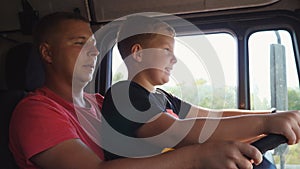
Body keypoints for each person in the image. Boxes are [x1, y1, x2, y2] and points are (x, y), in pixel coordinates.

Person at [8, 12, 264, 169]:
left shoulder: (101, 102)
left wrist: (265, 118)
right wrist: (196, 158)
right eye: (79, 43)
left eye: (95, 45)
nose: (95, 52)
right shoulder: (36, 112)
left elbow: (203, 116)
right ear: (47, 52)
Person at [101, 15, 300, 160]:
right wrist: (263, 123)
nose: (174, 59)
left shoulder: (162, 97)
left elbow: (212, 116)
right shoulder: (124, 95)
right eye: (166, 50)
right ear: (138, 53)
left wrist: (273, 114)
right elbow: (176, 132)